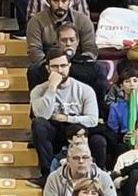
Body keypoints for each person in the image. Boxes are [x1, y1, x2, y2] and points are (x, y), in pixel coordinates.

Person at [30, 48, 106, 178]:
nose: (60, 70)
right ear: (48, 69)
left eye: (63, 66)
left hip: (77, 131)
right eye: (55, 66)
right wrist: (52, 88)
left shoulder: (85, 89)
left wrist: (67, 118)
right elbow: (43, 115)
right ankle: (47, 175)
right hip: (54, 131)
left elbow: (93, 120)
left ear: (69, 66)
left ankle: (97, 176)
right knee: (38, 125)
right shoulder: (38, 90)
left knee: (99, 140)